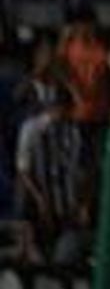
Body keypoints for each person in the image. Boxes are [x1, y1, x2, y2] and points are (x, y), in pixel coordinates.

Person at [15, 91, 95, 266]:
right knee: (36, 253)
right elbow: (23, 169)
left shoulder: (75, 131)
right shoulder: (33, 129)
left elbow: (87, 170)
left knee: (65, 254)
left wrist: (83, 204)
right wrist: (40, 199)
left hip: (67, 203)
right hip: (40, 200)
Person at [57, 7, 110, 139]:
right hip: (78, 114)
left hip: (101, 112)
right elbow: (59, 67)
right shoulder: (69, 47)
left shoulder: (102, 47)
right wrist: (74, 92)